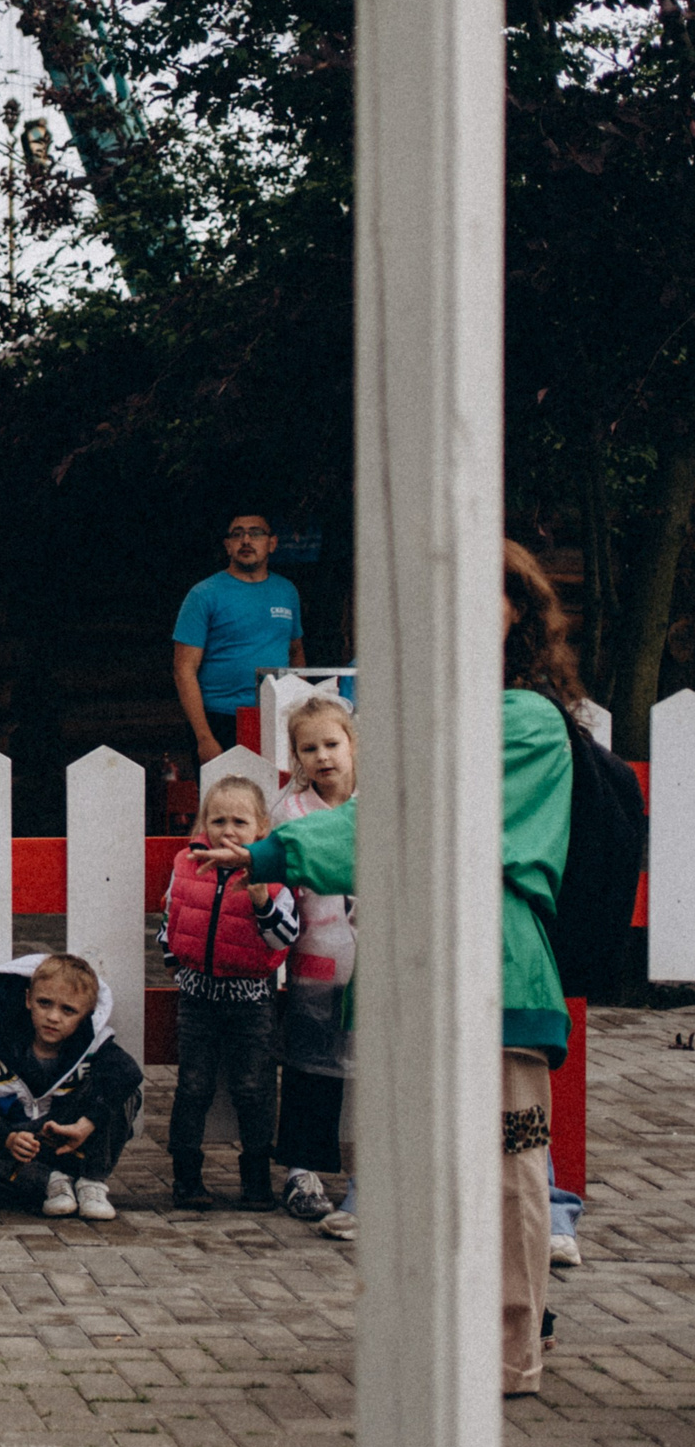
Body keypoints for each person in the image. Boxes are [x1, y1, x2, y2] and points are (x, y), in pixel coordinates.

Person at [196, 539, 575, 1396]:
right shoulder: (430, 717)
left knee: (506, 1165)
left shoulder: (522, 722)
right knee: (416, 1170)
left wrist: (274, 851)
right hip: (410, 976)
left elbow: (411, 823)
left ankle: (509, 1352)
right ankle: (433, 1338)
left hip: (496, 974)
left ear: (518, 614)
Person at [160, 775, 298, 1210]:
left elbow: (284, 938)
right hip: (198, 997)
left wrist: (261, 900)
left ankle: (257, 1179)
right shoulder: (187, 862)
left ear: (260, 827)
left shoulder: (272, 873)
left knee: (254, 1087)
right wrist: (175, 959)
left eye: (239, 821)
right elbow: (172, 915)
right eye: (218, 820)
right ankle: (186, 1177)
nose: (227, 831)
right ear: (204, 823)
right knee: (192, 1086)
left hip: (251, 999)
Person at [0, 953, 144, 1221]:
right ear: (28, 1000)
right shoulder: (0, 1047)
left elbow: (129, 1073)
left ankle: (91, 1184)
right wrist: (6, 1137)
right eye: (44, 1003)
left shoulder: (95, 1049)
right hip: (24, 1151)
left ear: (86, 1015)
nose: (53, 1017)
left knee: (124, 1092)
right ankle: (50, 1184)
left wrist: (85, 1124)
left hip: (76, 1141)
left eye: (68, 1010)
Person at [268, 695, 358, 1228]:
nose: (322, 756)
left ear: (352, 743)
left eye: (331, 743)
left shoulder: (379, 799)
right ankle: (303, 1171)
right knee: (311, 1066)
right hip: (317, 958)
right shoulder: (291, 811)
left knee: (382, 1066)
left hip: (379, 960)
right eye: (309, 748)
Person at [171, 511, 306, 767]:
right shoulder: (203, 594)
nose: (246, 540)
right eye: (237, 534)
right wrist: (204, 736)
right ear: (228, 545)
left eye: (255, 533)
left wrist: (299, 712)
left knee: (279, 802)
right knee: (227, 804)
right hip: (220, 718)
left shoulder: (287, 591)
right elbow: (183, 670)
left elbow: (296, 652)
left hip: (277, 717)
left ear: (272, 543)